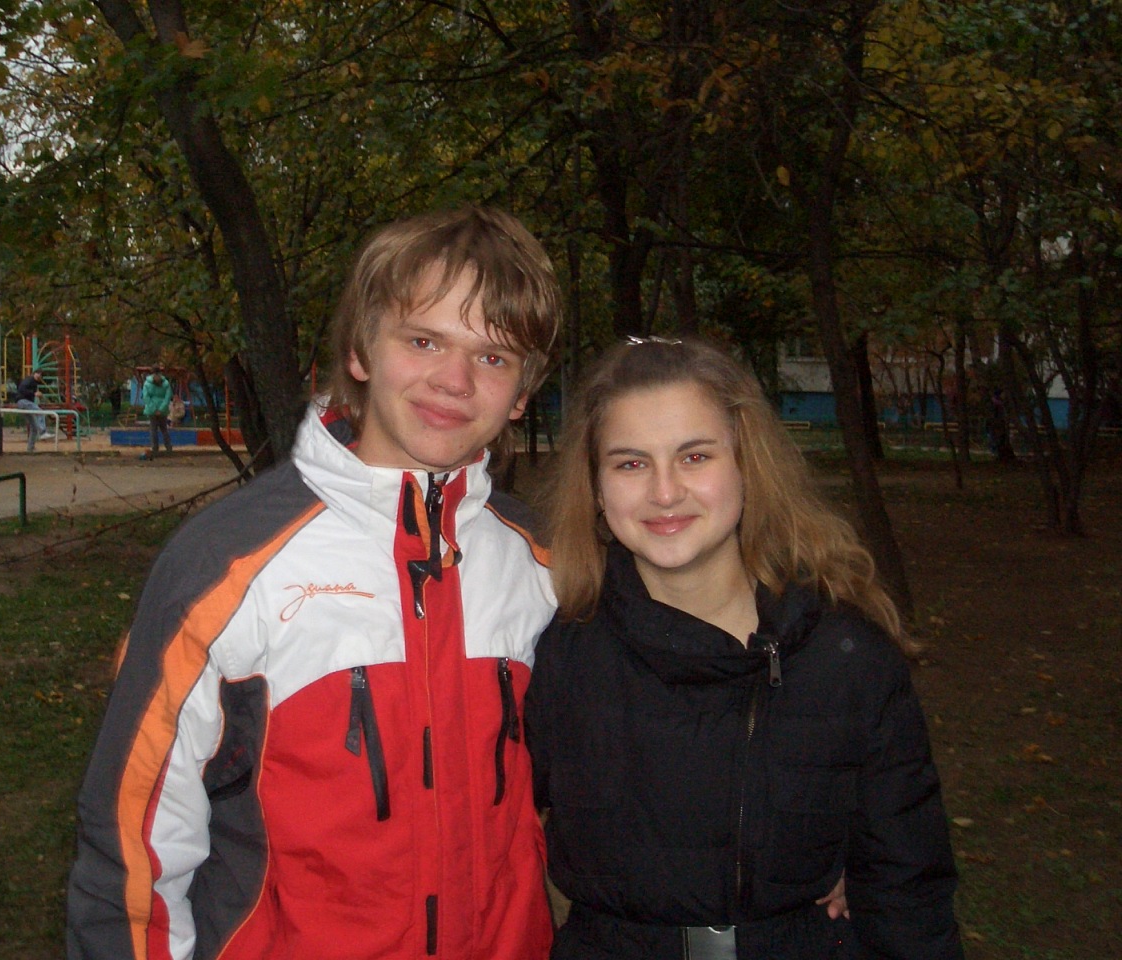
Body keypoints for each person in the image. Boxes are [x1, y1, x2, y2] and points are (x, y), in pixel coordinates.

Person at [67, 206, 563, 960]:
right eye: (423, 340)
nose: (455, 380)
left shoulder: (546, 564)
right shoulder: (230, 565)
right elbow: (132, 852)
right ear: (360, 350)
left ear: (523, 392)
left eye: (493, 357)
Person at [524, 337, 963, 960]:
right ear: (596, 488)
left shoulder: (845, 657)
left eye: (695, 456)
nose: (665, 492)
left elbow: (908, 891)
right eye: (631, 464)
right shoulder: (559, 656)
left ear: (747, 465)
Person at [14, 369, 52, 451]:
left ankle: (30, 448)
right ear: (34, 374)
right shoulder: (29, 380)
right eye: (38, 374)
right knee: (40, 412)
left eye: (41, 375)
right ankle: (43, 432)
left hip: (25, 403)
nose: (39, 376)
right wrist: (34, 393)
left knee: (34, 427)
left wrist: (39, 396)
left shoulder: (34, 383)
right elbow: (22, 389)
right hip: (23, 401)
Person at [142, 364, 173, 457]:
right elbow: (167, 397)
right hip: (160, 410)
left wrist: (155, 409)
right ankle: (166, 447)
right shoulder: (166, 383)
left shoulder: (147, 383)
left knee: (155, 429)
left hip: (153, 410)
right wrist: (160, 409)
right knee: (162, 429)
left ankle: (157, 448)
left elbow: (146, 397)